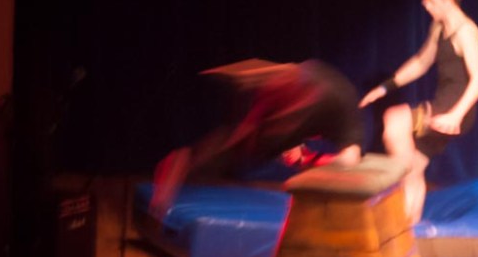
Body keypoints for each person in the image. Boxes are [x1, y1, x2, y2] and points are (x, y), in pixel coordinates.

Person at [149, 59, 362, 218]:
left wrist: (311, 161)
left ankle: (190, 161)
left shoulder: (337, 107)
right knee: (240, 144)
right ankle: (184, 163)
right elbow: (254, 120)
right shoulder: (284, 92)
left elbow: (349, 158)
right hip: (295, 93)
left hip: (307, 104)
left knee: (261, 144)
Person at [360, 0, 478, 224]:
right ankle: (410, 227)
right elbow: (421, 62)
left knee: (394, 118)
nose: (424, 4)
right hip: (442, 108)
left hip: (454, 109)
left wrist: (455, 115)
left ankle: (398, 180)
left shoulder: (466, 32)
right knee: (414, 169)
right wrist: (385, 87)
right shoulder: (439, 27)